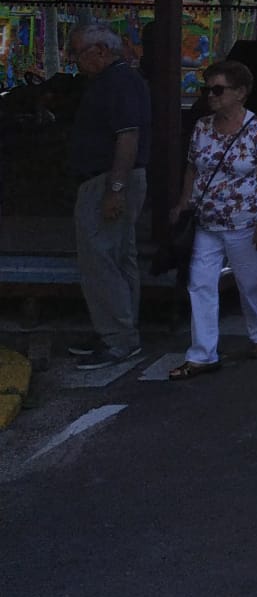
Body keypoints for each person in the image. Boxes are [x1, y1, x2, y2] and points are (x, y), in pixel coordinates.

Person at [167, 61, 257, 379]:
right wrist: (184, 202)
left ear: (240, 93)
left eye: (218, 89)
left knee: (251, 285)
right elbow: (193, 167)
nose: (211, 95)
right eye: (207, 89)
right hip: (207, 223)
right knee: (200, 284)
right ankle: (202, 353)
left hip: (246, 223)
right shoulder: (203, 128)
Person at [64, 23, 151, 371]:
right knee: (118, 257)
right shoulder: (120, 81)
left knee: (100, 260)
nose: (75, 61)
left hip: (109, 180)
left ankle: (118, 338)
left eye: (77, 53)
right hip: (112, 179)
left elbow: (127, 137)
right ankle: (119, 330)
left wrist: (115, 188)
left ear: (100, 51)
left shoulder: (118, 82)